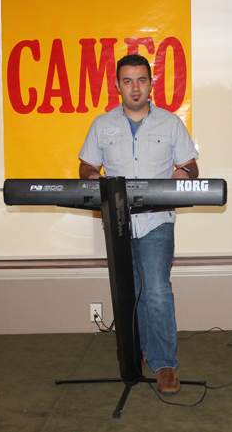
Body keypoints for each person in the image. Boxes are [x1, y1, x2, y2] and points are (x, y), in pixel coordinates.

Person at [78, 54, 199, 395]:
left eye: (141, 80)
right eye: (128, 81)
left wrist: (184, 172)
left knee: (157, 290)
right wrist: (93, 178)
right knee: (131, 292)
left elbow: (191, 166)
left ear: (151, 83)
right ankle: (139, 351)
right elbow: (86, 167)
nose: (135, 87)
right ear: (117, 85)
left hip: (156, 221)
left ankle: (164, 365)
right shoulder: (102, 125)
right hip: (117, 224)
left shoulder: (170, 123)